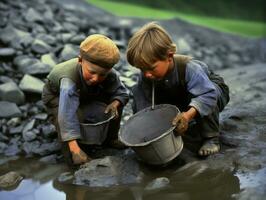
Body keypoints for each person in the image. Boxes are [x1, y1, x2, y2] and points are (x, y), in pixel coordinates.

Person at [126, 22, 229, 156]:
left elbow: (207, 94)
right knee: (139, 91)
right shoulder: (147, 74)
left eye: (151, 68)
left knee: (206, 95)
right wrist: (145, 129)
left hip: (210, 91)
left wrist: (187, 115)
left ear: (169, 57)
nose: (146, 74)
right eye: (141, 69)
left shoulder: (189, 68)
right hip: (179, 94)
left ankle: (211, 138)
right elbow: (144, 103)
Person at [42, 34, 129, 165]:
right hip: (57, 96)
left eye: (102, 75)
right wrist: (75, 149)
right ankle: (72, 155)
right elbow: (66, 115)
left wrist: (115, 103)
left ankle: (111, 138)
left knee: (115, 105)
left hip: (86, 92)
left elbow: (122, 93)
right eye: (92, 72)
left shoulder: (110, 74)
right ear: (80, 60)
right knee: (73, 115)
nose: (96, 78)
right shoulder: (68, 82)